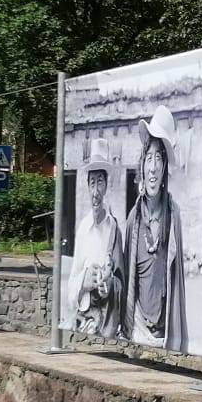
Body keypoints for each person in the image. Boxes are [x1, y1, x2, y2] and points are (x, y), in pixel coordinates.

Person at [122, 107, 189, 350]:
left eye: (158, 158)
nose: (152, 167)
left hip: (165, 330)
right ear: (142, 165)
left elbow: (177, 284)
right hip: (138, 327)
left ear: (164, 170)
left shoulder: (174, 215)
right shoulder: (133, 219)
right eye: (148, 158)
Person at [70, 139, 125, 337]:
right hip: (84, 318)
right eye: (92, 183)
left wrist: (109, 286)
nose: (95, 192)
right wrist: (83, 282)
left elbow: (121, 280)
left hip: (107, 322)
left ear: (107, 186)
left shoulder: (114, 230)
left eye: (99, 183)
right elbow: (71, 283)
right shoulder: (83, 228)